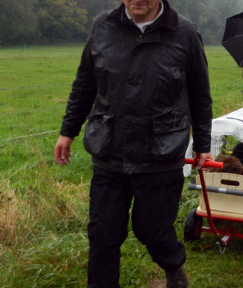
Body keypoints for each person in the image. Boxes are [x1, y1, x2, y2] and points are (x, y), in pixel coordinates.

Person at [53, 0, 213, 287]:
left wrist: (203, 142)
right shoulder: (103, 26)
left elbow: (200, 94)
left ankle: (172, 265)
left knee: (152, 230)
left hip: (161, 152)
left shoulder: (184, 33)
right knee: (102, 233)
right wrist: (68, 130)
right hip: (110, 149)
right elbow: (84, 83)